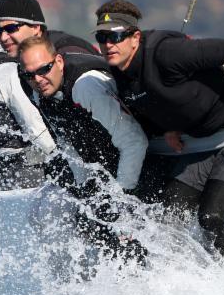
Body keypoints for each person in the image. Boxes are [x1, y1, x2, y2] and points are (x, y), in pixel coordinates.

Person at [94, 0, 224, 258]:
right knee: (171, 213)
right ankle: (181, 277)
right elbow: (152, 102)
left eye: (115, 36)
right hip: (200, 142)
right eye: (102, 37)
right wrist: (168, 126)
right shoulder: (119, 74)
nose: (108, 45)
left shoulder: (169, 52)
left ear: (135, 37)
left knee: (210, 216)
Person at [18, 35, 149, 264]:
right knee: (87, 224)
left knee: (126, 238)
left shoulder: (86, 86)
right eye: (30, 75)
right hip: (107, 165)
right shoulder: (38, 90)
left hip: (142, 162)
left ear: (58, 61)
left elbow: (134, 142)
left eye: (44, 69)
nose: (38, 79)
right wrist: (86, 193)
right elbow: (68, 144)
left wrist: (121, 201)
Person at [0, 0, 95, 190]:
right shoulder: (8, 68)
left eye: (11, 28)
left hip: (2, 172)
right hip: (33, 170)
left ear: (36, 29)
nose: (4, 37)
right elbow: (35, 127)